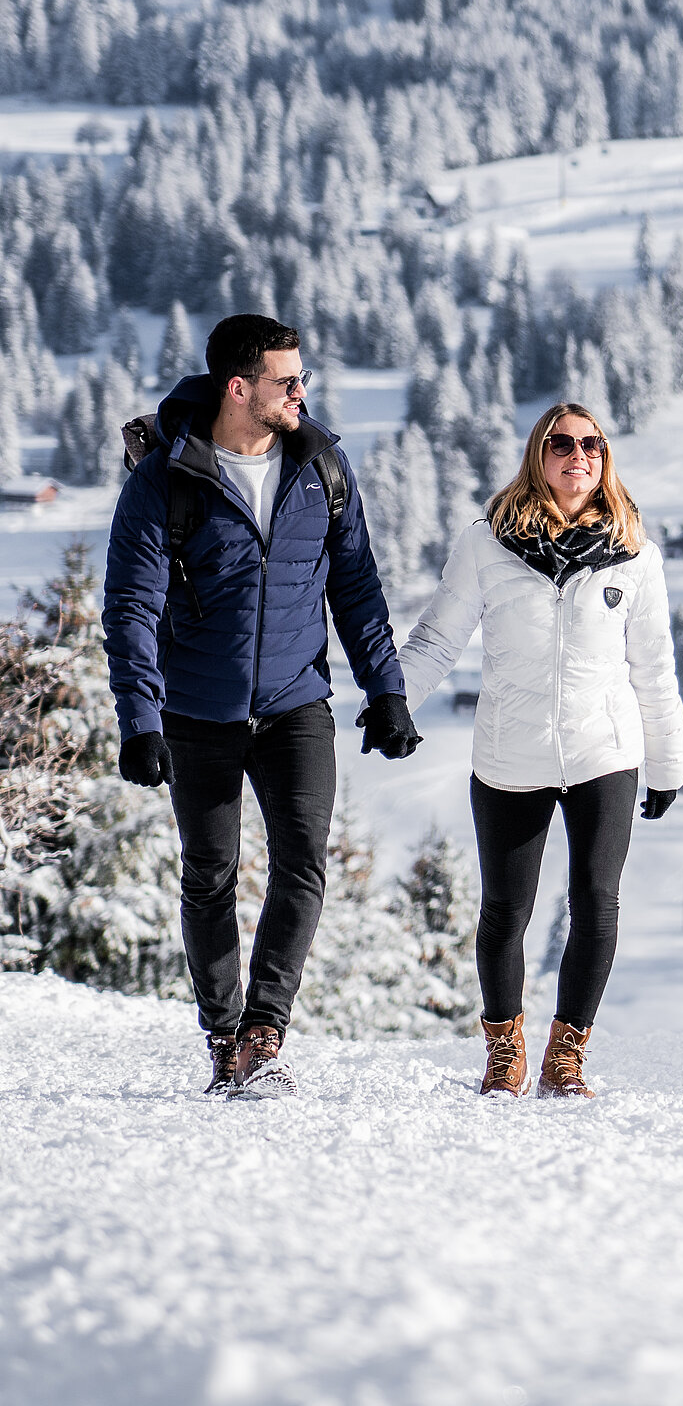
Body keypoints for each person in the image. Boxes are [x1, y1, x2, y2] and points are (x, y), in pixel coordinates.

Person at [104, 315, 420, 1098]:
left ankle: (263, 1035)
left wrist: (387, 692)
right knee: (210, 876)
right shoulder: (165, 480)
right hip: (197, 711)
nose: (302, 394)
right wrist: (141, 723)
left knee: (302, 865)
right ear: (238, 388)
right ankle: (222, 1034)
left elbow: (356, 588)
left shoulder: (321, 466)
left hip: (296, 704)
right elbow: (131, 609)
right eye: (289, 382)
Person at [396, 403, 683, 1098]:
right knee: (505, 910)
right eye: (561, 443)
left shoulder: (636, 553)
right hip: (510, 754)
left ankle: (566, 1055)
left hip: (603, 753)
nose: (577, 455)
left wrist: (667, 761)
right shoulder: (487, 543)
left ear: (605, 457)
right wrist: (392, 701)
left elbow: (653, 664)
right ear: (538, 454)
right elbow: (438, 639)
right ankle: (504, 1051)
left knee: (596, 902)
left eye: (591, 444)